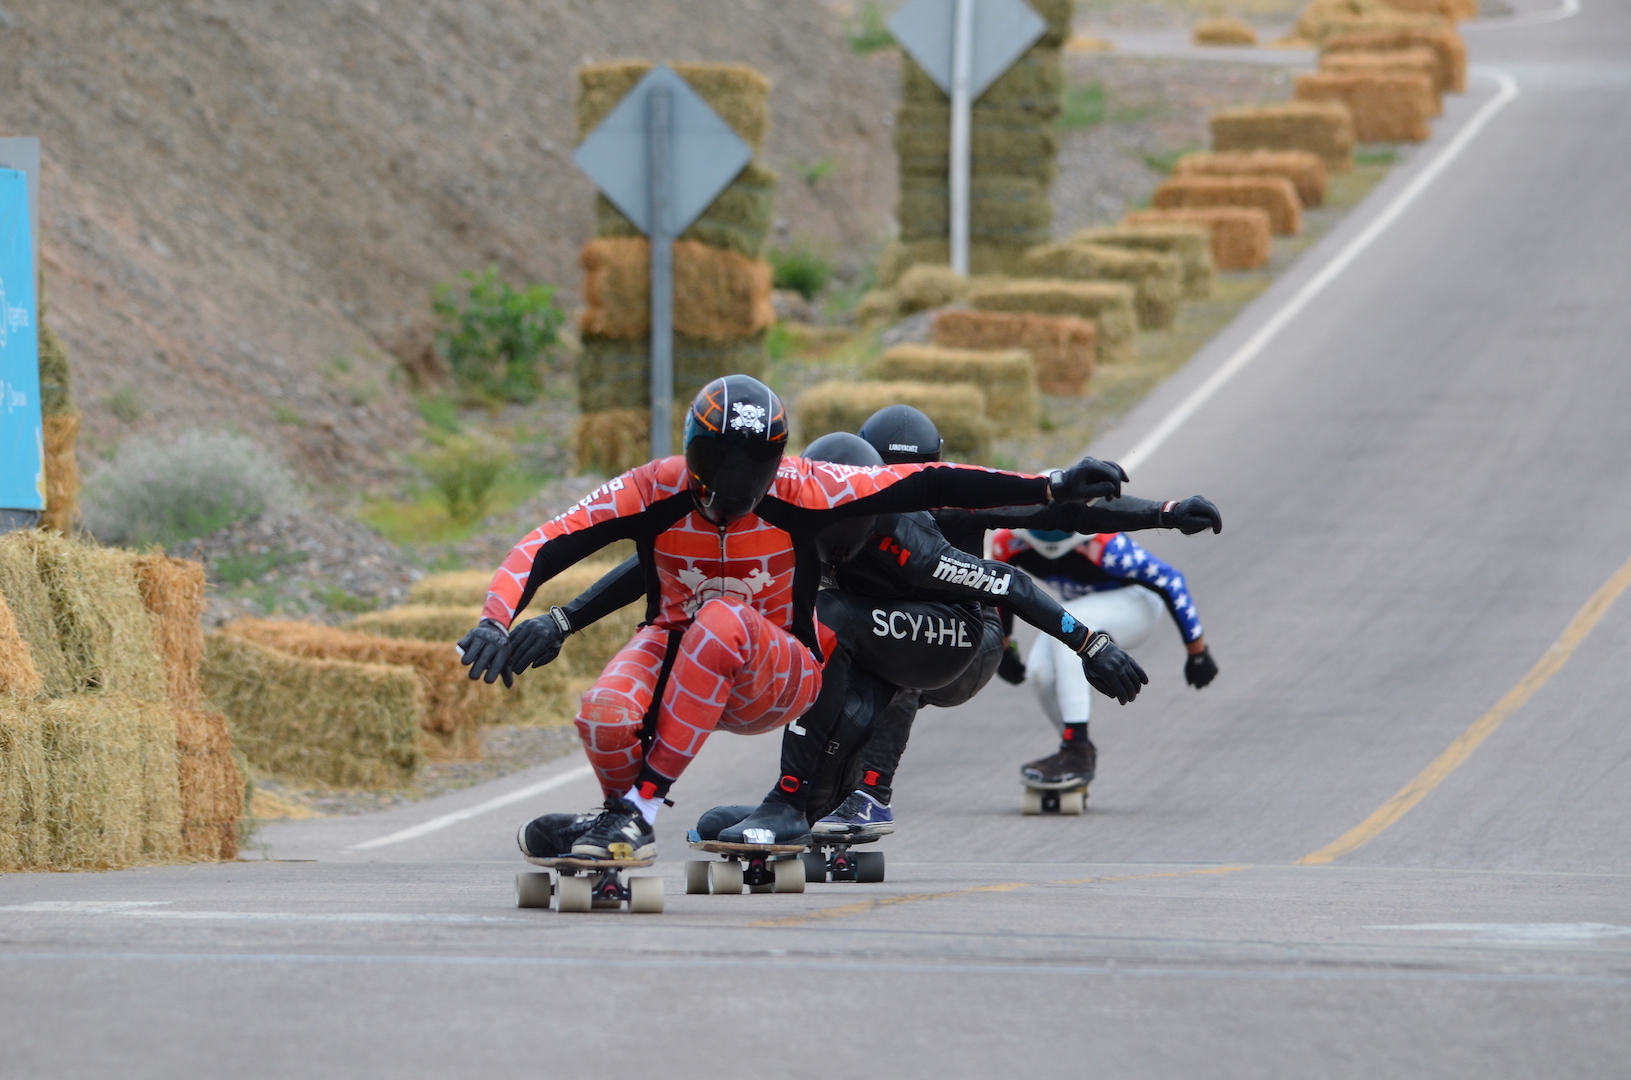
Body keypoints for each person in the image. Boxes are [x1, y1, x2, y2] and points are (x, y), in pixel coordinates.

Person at [458, 374, 1137, 861]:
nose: (729, 506)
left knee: (723, 620)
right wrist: (503, 618)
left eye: (748, 491)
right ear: (689, 462)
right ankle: (613, 815)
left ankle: (652, 813)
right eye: (713, 491)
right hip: (677, 653)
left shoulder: (806, 487)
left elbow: (933, 480)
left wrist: (1047, 484)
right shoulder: (651, 487)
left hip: (775, 670)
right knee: (604, 711)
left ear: (775, 470)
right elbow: (545, 541)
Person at [811, 405, 1222, 838]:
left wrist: (1165, 512)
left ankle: (871, 797)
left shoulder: (949, 500)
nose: (895, 494)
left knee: (898, 653)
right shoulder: (836, 500)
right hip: (908, 627)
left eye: (910, 480)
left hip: (965, 635)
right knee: (846, 669)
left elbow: (1067, 515)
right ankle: (821, 795)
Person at [989, 523, 1217, 798]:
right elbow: (1000, 588)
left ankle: (1076, 749)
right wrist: (1004, 646)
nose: (1053, 536)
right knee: (1040, 673)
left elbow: (1171, 580)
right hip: (1081, 610)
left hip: (1135, 605)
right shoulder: (1009, 543)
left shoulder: (1107, 547)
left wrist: (1198, 651)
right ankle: (1073, 748)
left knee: (1070, 624)